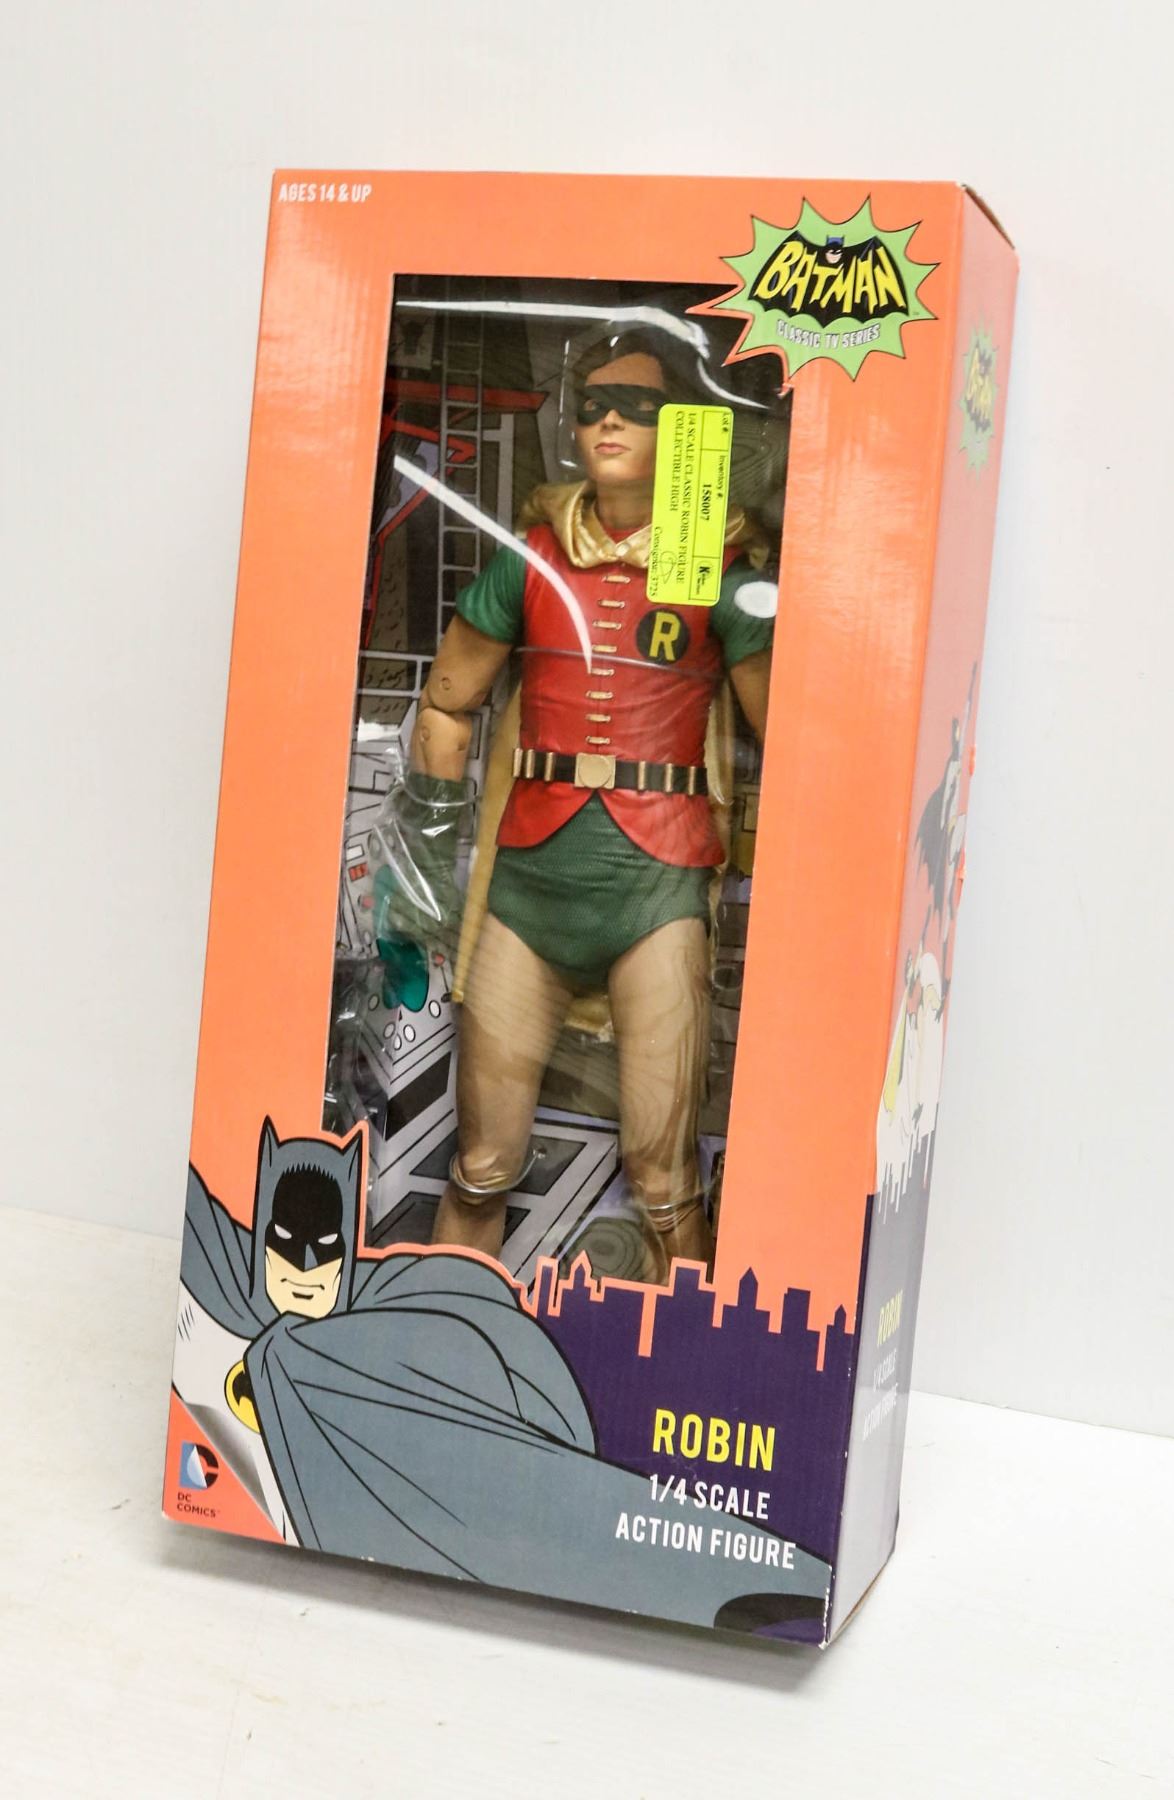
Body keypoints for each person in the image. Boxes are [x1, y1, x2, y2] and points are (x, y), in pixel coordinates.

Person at [411, 332, 775, 1279]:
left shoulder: (723, 573)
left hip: (658, 886)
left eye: (638, 407)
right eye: (592, 405)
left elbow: (791, 744)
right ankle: (440, 1331)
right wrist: (425, 844)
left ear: (685, 429)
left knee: (665, 1183)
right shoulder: (526, 561)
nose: (609, 420)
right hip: (528, 886)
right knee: (482, 1166)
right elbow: (448, 703)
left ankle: (695, 1351)